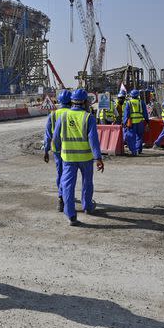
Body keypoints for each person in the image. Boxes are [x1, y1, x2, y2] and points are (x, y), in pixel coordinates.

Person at [52, 89, 105, 226]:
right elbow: (93, 140)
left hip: (68, 158)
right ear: (84, 102)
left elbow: (56, 137)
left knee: (68, 185)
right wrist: (98, 158)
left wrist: (58, 151)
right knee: (87, 182)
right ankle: (87, 206)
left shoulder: (62, 117)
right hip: (86, 158)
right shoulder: (88, 117)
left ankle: (71, 215)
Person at [44, 89, 72, 211]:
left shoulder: (53, 115)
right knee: (70, 175)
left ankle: (61, 198)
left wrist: (46, 150)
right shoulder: (73, 113)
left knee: (60, 173)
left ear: (59, 101)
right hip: (71, 149)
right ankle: (68, 197)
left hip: (57, 149)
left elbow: (48, 135)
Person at [122, 89, 150, 155]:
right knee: (139, 136)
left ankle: (134, 151)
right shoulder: (141, 102)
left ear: (131, 95)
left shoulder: (129, 103)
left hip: (131, 123)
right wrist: (147, 121)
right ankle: (138, 150)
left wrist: (124, 122)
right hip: (140, 122)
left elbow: (126, 114)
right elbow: (145, 113)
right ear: (138, 95)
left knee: (130, 137)